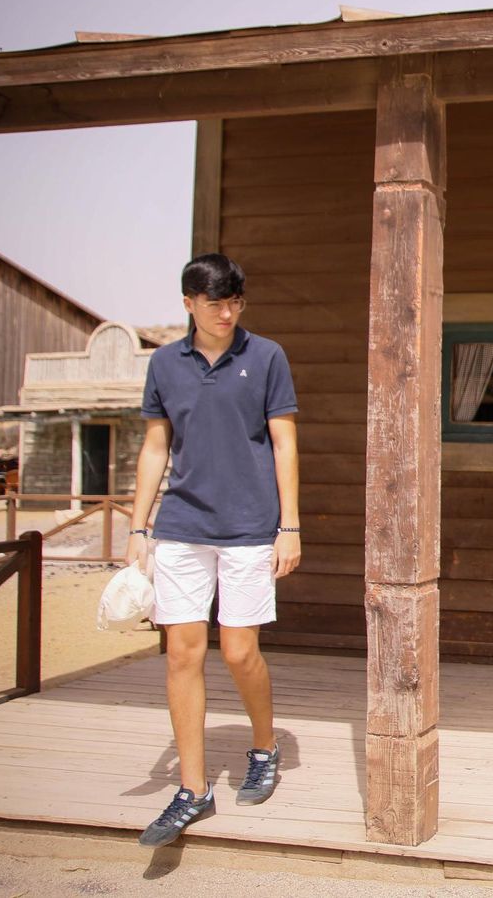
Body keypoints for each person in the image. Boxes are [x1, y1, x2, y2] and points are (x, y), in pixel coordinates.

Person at [126, 254, 301, 847]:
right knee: (181, 653)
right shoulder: (163, 364)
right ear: (189, 304)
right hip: (181, 525)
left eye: (235, 303)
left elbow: (284, 443)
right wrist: (137, 528)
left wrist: (290, 526)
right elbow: (156, 447)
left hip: (251, 527)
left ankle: (264, 747)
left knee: (239, 651)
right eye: (215, 304)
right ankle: (193, 789)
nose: (227, 314)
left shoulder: (267, 356)